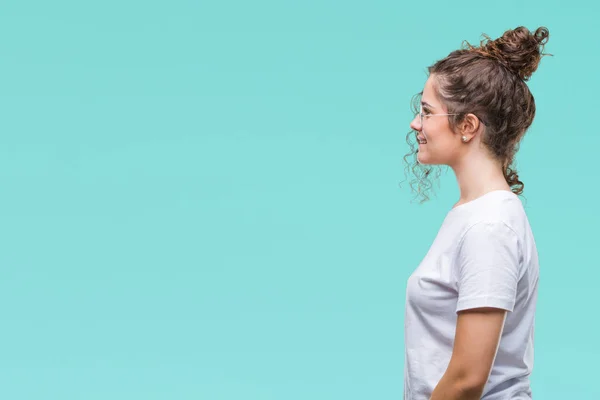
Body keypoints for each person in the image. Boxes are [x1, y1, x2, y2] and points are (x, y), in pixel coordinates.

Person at [402, 26, 550, 399]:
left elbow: (468, 378)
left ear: (467, 126)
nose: (415, 123)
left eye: (427, 111)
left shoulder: (490, 226)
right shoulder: (474, 215)